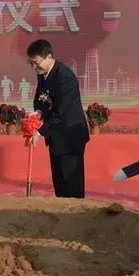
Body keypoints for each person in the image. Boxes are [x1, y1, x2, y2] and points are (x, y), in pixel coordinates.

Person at [27, 39, 89, 198]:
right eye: (31, 63)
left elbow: (61, 112)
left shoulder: (64, 77)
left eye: (36, 63)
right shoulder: (43, 74)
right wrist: (38, 113)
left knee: (71, 185)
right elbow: (40, 99)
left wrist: (40, 132)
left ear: (48, 57)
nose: (34, 67)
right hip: (55, 136)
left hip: (70, 137)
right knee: (59, 183)